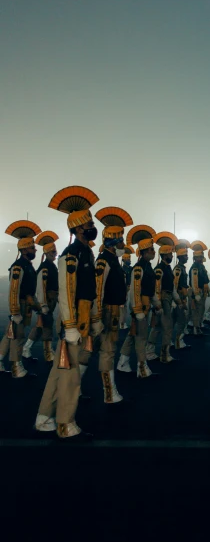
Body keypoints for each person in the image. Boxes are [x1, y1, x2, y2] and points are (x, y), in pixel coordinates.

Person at [35, 186, 102, 440]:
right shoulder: (70, 255)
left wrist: (93, 318)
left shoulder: (86, 252)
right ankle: (65, 423)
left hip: (83, 318)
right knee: (71, 374)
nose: (92, 227)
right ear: (77, 228)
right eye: (88, 224)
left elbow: (89, 291)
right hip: (74, 320)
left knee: (59, 370)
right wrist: (71, 325)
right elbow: (66, 292)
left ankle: (44, 417)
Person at [93, 206, 133, 402]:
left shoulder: (113, 260)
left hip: (113, 310)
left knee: (96, 351)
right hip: (107, 312)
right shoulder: (104, 261)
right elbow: (98, 290)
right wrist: (98, 317)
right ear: (113, 241)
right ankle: (109, 392)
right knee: (107, 351)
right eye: (121, 240)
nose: (123, 244)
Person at [117, 225, 162, 378]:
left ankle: (123, 361)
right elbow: (135, 291)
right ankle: (142, 368)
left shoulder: (148, 266)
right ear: (143, 252)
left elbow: (151, 289)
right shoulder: (139, 268)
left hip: (146, 306)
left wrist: (156, 303)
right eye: (150, 250)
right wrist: (137, 311)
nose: (153, 252)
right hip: (140, 308)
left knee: (133, 334)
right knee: (141, 337)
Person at [0, 220, 42, 377]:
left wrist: (37, 307)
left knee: (9, 334)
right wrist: (15, 311)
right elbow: (14, 290)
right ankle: (17, 368)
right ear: (24, 249)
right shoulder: (19, 266)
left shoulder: (27, 264)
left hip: (26, 304)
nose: (35, 250)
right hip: (20, 305)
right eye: (32, 247)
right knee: (18, 337)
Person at [22, 231, 60, 364]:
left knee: (40, 326)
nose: (55, 254)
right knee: (47, 326)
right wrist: (43, 304)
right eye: (53, 252)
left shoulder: (51, 267)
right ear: (47, 253)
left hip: (51, 300)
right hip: (46, 301)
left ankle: (26, 348)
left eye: (55, 252)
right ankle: (48, 352)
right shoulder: (45, 268)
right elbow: (40, 288)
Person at [146, 232, 177, 363]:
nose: (171, 256)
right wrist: (158, 305)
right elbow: (157, 287)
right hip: (163, 299)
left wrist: (178, 300)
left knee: (157, 327)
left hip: (166, 298)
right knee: (167, 327)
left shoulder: (167, 268)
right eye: (170, 254)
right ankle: (164, 354)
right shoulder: (160, 269)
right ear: (164, 255)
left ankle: (150, 351)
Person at [172, 239, 191, 351]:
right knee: (182, 320)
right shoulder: (178, 269)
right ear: (180, 257)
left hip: (181, 296)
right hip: (179, 297)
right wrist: (177, 301)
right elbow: (175, 285)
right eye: (185, 256)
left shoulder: (182, 268)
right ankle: (179, 341)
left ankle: (173, 341)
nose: (187, 258)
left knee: (175, 320)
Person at [189, 241, 210, 335]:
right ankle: (196, 328)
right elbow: (194, 282)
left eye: (201, 256)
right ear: (195, 258)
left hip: (202, 291)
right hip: (197, 291)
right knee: (196, 311)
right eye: (199, 257)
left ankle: (199, 325)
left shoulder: (201, 266)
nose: (201, 258)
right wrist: (196, 294)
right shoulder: (195, 267)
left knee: (201, 310)